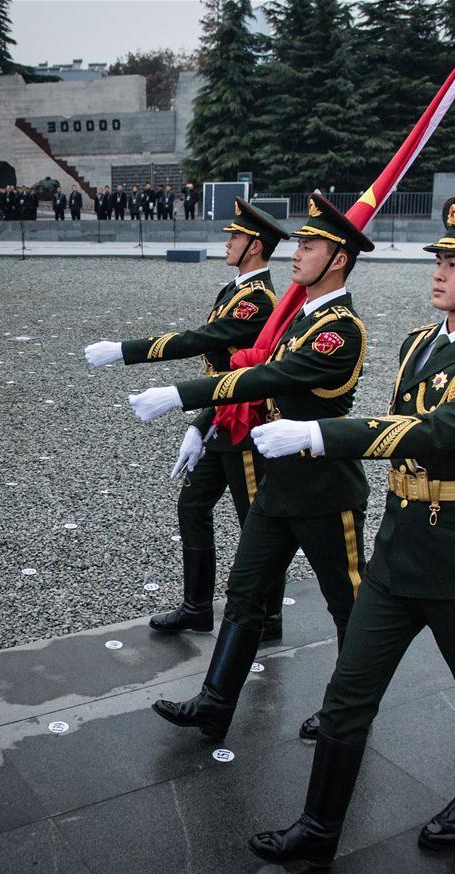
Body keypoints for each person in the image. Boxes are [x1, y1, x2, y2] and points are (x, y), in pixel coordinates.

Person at [247, 196, 455, 866]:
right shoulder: (418, 342)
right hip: (399, 546)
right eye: (439, 257)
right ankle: (318, 830)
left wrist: (321, 433)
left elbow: (435, 432)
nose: (439, 270)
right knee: (348, 692)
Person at [127, 193, 374, 742]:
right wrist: (203, 422)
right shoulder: (298, 320)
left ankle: (349, 708)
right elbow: (253, 372)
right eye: (301, 242)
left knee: (348, 604)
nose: (298, 251)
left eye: (311, 245)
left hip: (324, 489)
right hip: (279, 484)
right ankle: (215, 703)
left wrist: (179, 394)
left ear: (338, 259)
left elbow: (264, 379)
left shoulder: (340, 329)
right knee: (244, 595)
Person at [84, 199, 292, 646]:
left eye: (236, 237)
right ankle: (198, 608)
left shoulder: (258, 298)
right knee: (193, 506)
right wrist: (200, 425)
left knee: (254, 522)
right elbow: (218, 372)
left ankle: (269, 616)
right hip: (221, 416)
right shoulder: (236, 289)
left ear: (255, 246)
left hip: (247, 425)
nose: (229, 242)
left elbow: (203, 340)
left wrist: (126, 350)